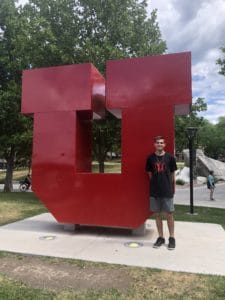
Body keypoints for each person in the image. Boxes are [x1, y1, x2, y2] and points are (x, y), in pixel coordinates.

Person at [146, 136, 177, 250]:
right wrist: (156, 183)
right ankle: (160, 237)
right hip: (154, 191)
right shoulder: (150, 158)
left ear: (164, 145)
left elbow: (173, 174)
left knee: (169, 214)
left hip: (167, 190)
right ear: (154, 144)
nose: (159, 144)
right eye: (157, 142)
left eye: (161, 143)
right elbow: (149, 174)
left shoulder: (170, 158)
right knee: (157, 215)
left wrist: (171, 187)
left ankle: (172, 238)